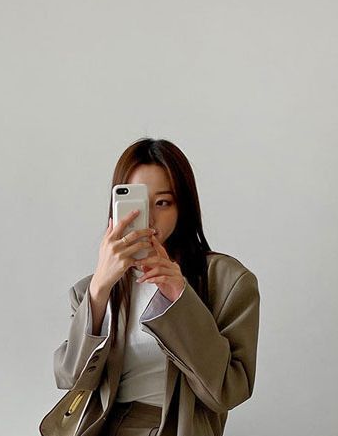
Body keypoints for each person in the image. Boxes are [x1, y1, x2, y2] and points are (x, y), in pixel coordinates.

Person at [45, 138, 260, 436]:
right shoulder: (89, 291)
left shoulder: (227, 281)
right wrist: (99, 290)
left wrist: (179, 299)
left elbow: (228, 391)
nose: (148, 218)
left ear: (183, 207)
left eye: (162, 203)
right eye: (136, 204)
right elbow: (70, 377)